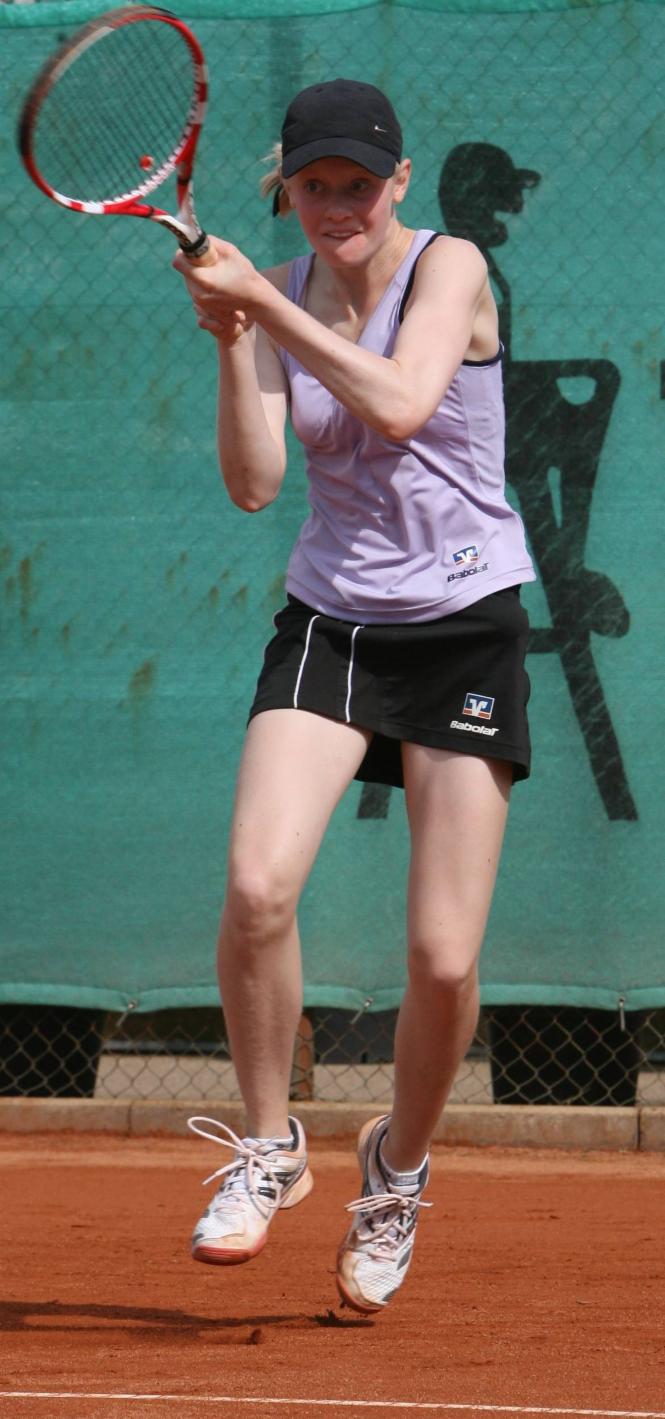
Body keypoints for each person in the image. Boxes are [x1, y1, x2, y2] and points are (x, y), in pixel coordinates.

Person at [175, 78, 535, 1315]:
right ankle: (269, 1146)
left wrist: (265, 304)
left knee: (441, 957)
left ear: (398, 183)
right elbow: (254, 483)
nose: (336, 205)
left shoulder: (451, 266)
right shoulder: (278, 293)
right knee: (256, 887)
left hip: (464, 625)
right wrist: (235, 342)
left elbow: (399, 401)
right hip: (331, 620)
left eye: (357, 184)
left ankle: (395, 1171)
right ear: (286, 187)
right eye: (313, 183)